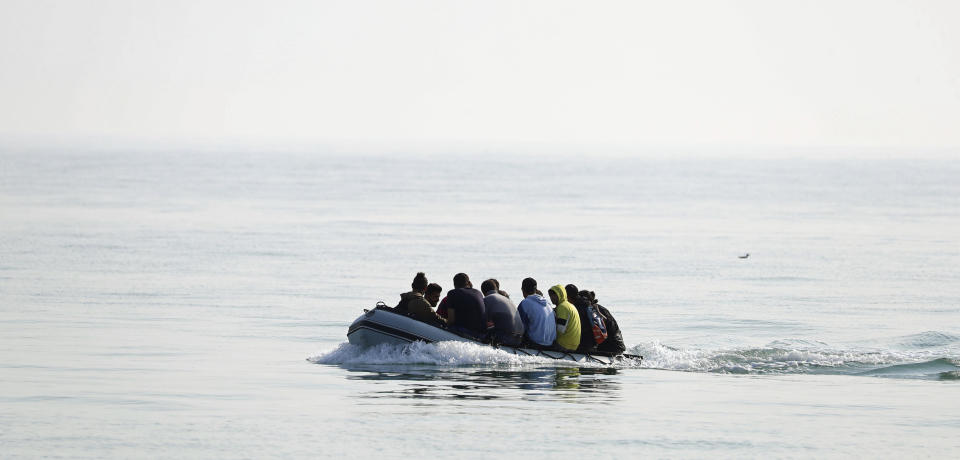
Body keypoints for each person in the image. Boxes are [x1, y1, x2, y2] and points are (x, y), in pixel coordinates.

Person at [480, 279, 524, 346]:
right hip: (520, 340)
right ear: (496, 289)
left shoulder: (487, 299)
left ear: (483, 292)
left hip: (506, 338)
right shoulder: (507, 299)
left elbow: (483, 321)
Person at [444, 273, 487, 339]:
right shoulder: (478, 293)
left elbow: (451, 320)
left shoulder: (452, 293)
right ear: (469, 282)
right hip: (482, 334)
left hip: (465, 332)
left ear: (454, 285)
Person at [516, 277, 556, 348]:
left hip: (536, 343)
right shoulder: (547, 303)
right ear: (536, 290)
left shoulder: (525, 303)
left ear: (522, 290)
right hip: (551, 344)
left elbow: (518, 328)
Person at [548, 284, 581, 352]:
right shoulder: (569, 305)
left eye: (554, 295)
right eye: (550, 295)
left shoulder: (562, 307)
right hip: (574, 345)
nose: (552, 297)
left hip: (564, 345)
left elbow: (560, 329)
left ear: (561, 294)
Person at [565, 284, 596, 353]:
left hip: (584, 343)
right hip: (592, 341)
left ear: (568, 296)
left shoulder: (577, 307)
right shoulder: (585, 303)